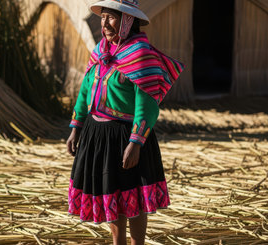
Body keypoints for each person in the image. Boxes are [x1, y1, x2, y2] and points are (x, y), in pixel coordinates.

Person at [66, 0, 184, 244]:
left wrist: (136, 142)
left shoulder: (140, 55)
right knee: (112, 194)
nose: (105, 23)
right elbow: (85, 90)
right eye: (103, 17)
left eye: (111, 18)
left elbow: (147, 104)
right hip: (97, 135)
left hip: (125, 138)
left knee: (133, 197)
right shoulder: (101, 51)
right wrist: (76, 127)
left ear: (128, 21)